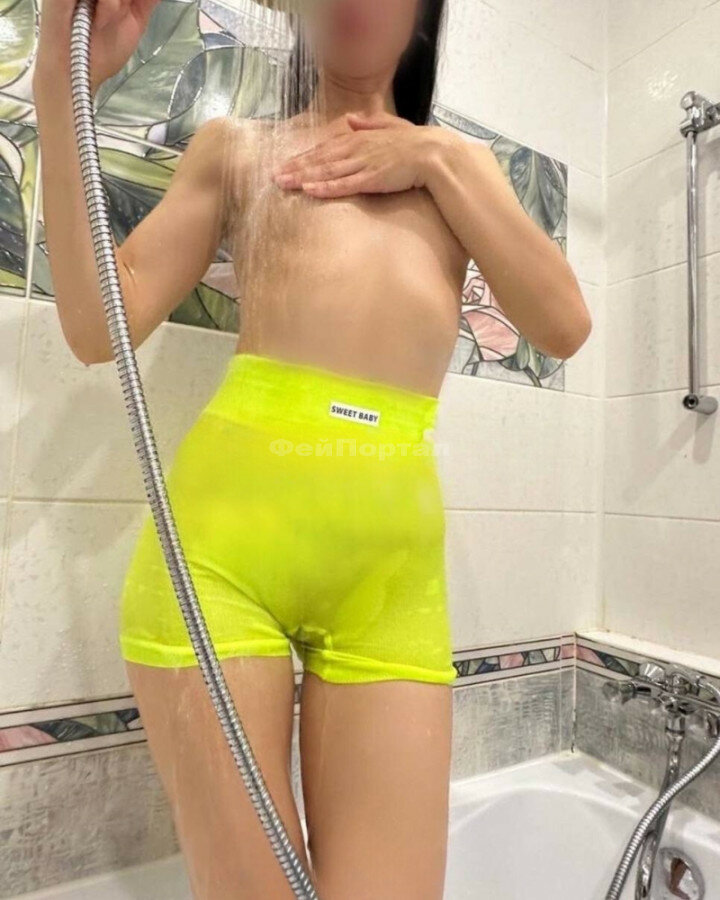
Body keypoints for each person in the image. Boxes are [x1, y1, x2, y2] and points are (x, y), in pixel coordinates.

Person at [34, 0, 591, 897]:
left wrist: (435, 157)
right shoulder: (238, 152)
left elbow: (563, 325)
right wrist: (58, 90)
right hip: (220, 565)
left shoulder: (461, 170)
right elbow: (98, 328)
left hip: (390, 588)